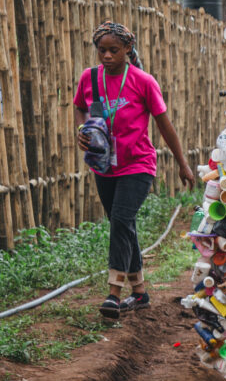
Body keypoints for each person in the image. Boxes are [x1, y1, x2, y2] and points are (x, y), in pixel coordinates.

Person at [74, 22, 194, 320]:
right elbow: (80, 106)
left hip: (138, 164)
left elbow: (165, 125)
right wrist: (81, 128)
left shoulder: (143, 81)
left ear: (128, 49)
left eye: (114, 50)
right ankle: (139, 293)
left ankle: (114, 292)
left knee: (121, 219)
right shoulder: (89, 79)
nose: (107, 56)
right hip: (104, 164)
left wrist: (183, 163)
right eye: (102, 50)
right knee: (123, 224)